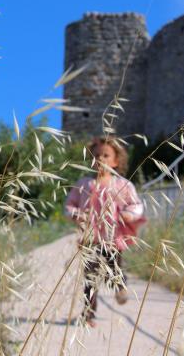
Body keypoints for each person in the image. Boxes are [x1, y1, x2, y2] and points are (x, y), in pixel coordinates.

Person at [64, 136, 146, 327]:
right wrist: (77, 214)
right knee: (90, 279)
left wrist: (129, 214)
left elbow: (136, 205)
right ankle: (88, 315)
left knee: (114, 268)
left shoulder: (122, 185)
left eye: (106, 155)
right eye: (97, 155)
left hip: (112, 238)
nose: (101, 159)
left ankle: (120, 287)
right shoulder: (84, 184)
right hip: (90, 238)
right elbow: (69, 205)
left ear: (116, 161)